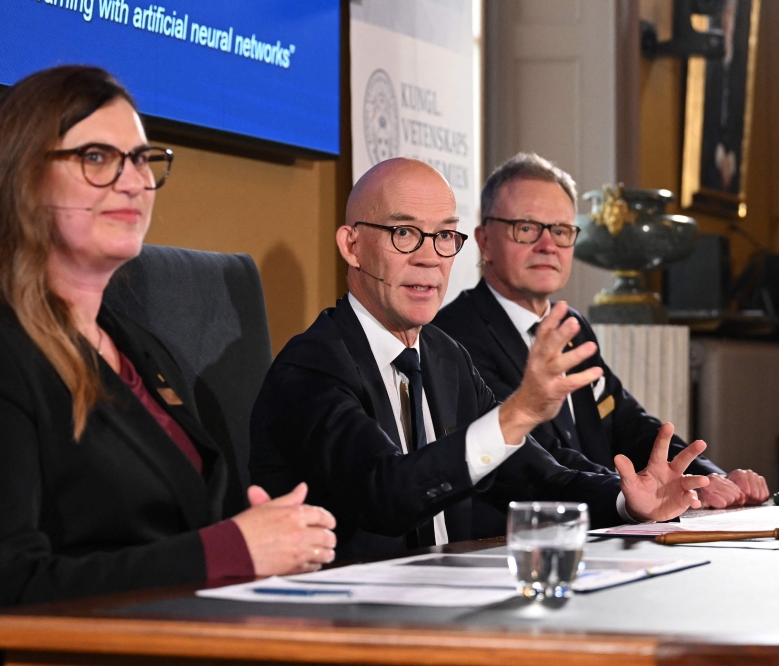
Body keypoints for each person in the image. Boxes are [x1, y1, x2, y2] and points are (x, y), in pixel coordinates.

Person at [0, 66, 335, 666]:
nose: (133, 182)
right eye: (98, 157)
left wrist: (253, 534)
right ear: (19, 177)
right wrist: (226, 550)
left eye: (142, 159)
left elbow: (162, 532)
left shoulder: (137, 345)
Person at [250, 157, 711, 561]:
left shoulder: (443, 356)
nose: (430, 259)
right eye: (405, 233)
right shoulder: (311, 366)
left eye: (444, 236)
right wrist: (520, 412)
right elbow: (385, 494)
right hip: (343, 626)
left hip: (447, 609)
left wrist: (628, 502)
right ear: (352, 246)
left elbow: (536, 479)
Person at [433, 152, 769, 514]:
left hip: (598, 531)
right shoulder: (454, 334)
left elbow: (628, 424)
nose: (547, 246)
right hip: (509, 543)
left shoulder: (571, 325)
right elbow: (535, 458)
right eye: (527, 228)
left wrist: (704, 478)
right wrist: (635, 496)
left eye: (560, 231)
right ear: (484, 240)